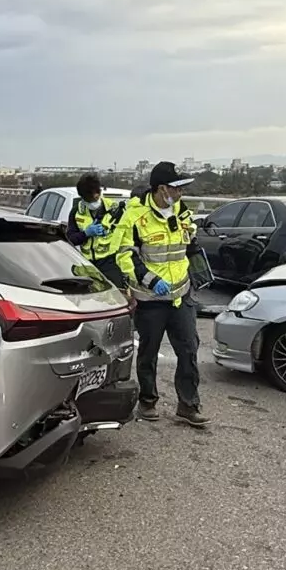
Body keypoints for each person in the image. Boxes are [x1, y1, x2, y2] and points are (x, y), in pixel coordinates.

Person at [111, 162, 206, 428]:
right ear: (161, 189)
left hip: (181, 296)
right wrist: (151, 280)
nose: (180, 194)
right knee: (148, 353)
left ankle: (188, 405)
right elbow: (125, 255)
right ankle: (147, 401)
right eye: (176, 189)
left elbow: (190, 244)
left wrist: (197, 273)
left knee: (189, 350)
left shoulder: (181, 211)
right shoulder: (134, 217)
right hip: (151, 299)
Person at [66, 172, 127, 287]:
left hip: (110, 264)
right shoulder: (77, 212)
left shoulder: (114, 210)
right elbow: (70, 240)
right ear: (83, 198)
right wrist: (86, 233)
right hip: (87, 265)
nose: (95, 201)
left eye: (97, 196)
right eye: (90, 200)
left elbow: (127, 238)